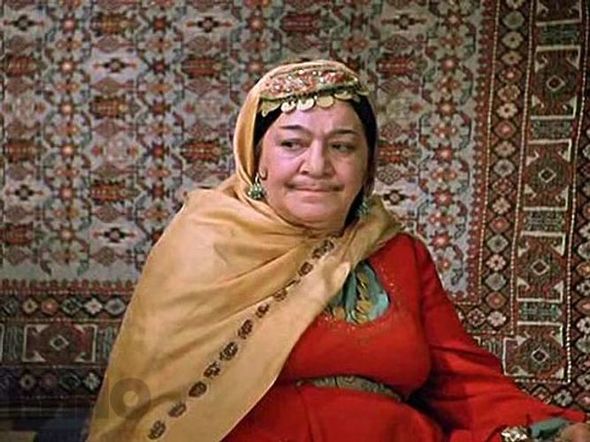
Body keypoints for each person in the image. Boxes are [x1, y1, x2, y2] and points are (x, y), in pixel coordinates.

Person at [87, 60, 589, 441]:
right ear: (256, 159)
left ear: (367, 165)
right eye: (292, 144)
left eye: (343, 146)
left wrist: (553, 429)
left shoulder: (398, 254)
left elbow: (463, 383)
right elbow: (159, 396)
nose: (317, 165)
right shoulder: (205, 244)